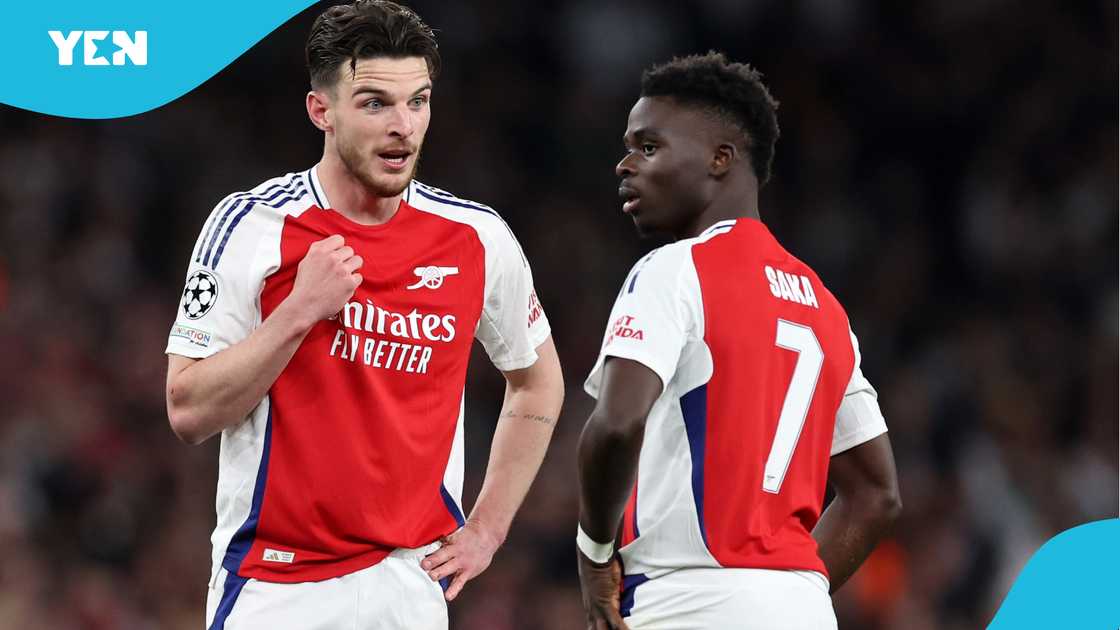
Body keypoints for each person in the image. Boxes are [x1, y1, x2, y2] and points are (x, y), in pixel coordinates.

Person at [164, 2, 564, 628]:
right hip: (277, 589)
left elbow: (537, 380)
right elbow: (187, 410)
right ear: (321, 111)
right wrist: (298, 312)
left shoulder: (477, 238)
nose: (403, 126)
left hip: (411, 587)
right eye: (375, 103)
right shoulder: (253, 225)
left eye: (418, 102)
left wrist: (487, 528)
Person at [576, 52, 901, 630]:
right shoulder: (824, 307)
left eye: (648, 147)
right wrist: (784, 593)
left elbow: (617, 425)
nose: (625, 165)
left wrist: (594, 556)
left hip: (685, 602)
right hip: (803, 611)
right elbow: (877, 496)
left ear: (720, 158)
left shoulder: (674, 270)